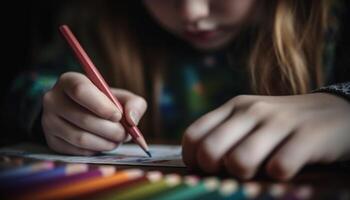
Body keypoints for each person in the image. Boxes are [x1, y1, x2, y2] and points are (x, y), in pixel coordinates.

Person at [3, 0, 350, 180]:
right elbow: (27, 86)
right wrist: (49, 109)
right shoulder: (103, 24)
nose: (193, 12)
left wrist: (342, 102)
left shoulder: (333, 23)